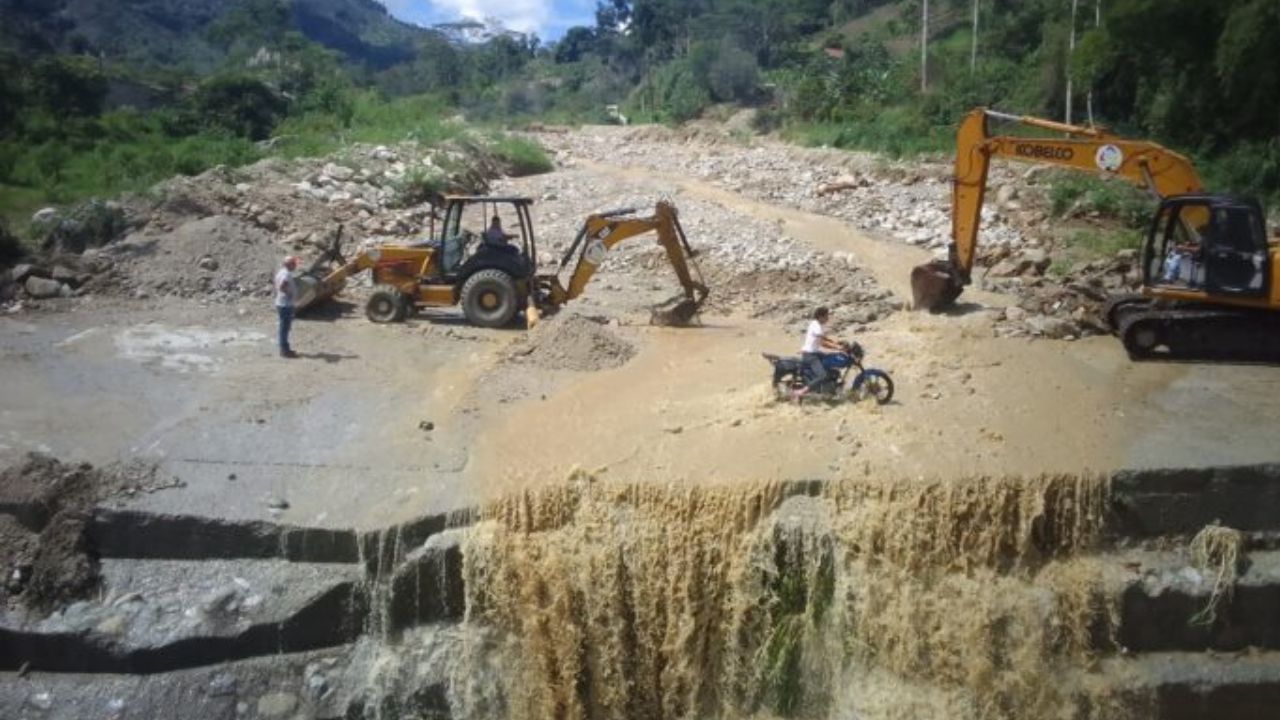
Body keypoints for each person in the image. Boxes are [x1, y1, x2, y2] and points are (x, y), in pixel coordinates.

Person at [795, 306, 844, 401]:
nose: (828, 318)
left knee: (830, 359)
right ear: (820, 317)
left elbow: (824, 338)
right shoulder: (817, 326)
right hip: (810, 356)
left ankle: (829, 388)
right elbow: (823, 343)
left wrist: (837, 343)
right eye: (826, 316)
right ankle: (801, 392)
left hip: (814, 353)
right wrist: (838, 347)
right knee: (822, 375)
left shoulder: (816, 324)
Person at [274, 256, 300, 359]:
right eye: (294, 264)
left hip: (282, 303)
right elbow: (282, 286)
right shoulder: (286, 274)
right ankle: (284, 351)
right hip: (285, 304)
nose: (295, 266)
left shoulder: (281, 272)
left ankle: (285, 348)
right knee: (284, 328)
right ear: (289, 264)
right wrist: (289, 294)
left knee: (284, 327)